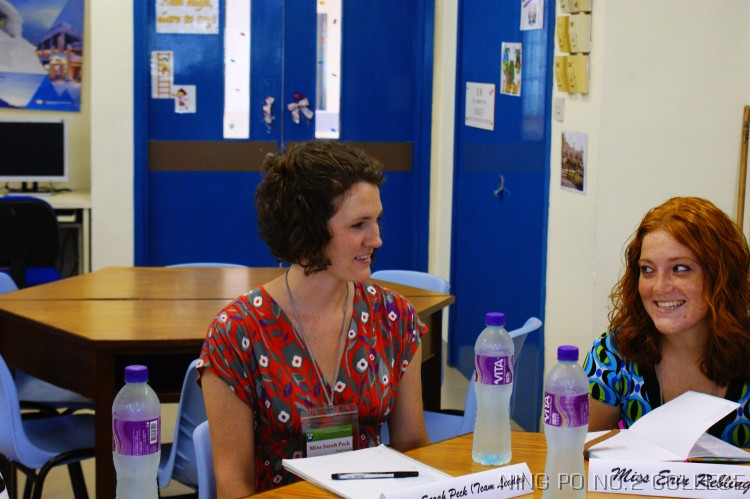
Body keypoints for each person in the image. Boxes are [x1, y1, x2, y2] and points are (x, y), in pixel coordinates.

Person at [197, 141, 430, 497]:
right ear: (309, 230)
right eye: (359, 225)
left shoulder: (394, 317)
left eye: (377, 220)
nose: (377, 239)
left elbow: (412, 447)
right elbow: (234, 482)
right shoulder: (237, 332)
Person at [583, 196, 750, 447]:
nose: (659, 287)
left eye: (680, 268)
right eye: (647, 269)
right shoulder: (613, 354)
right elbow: (581, 454)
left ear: (721, 275)